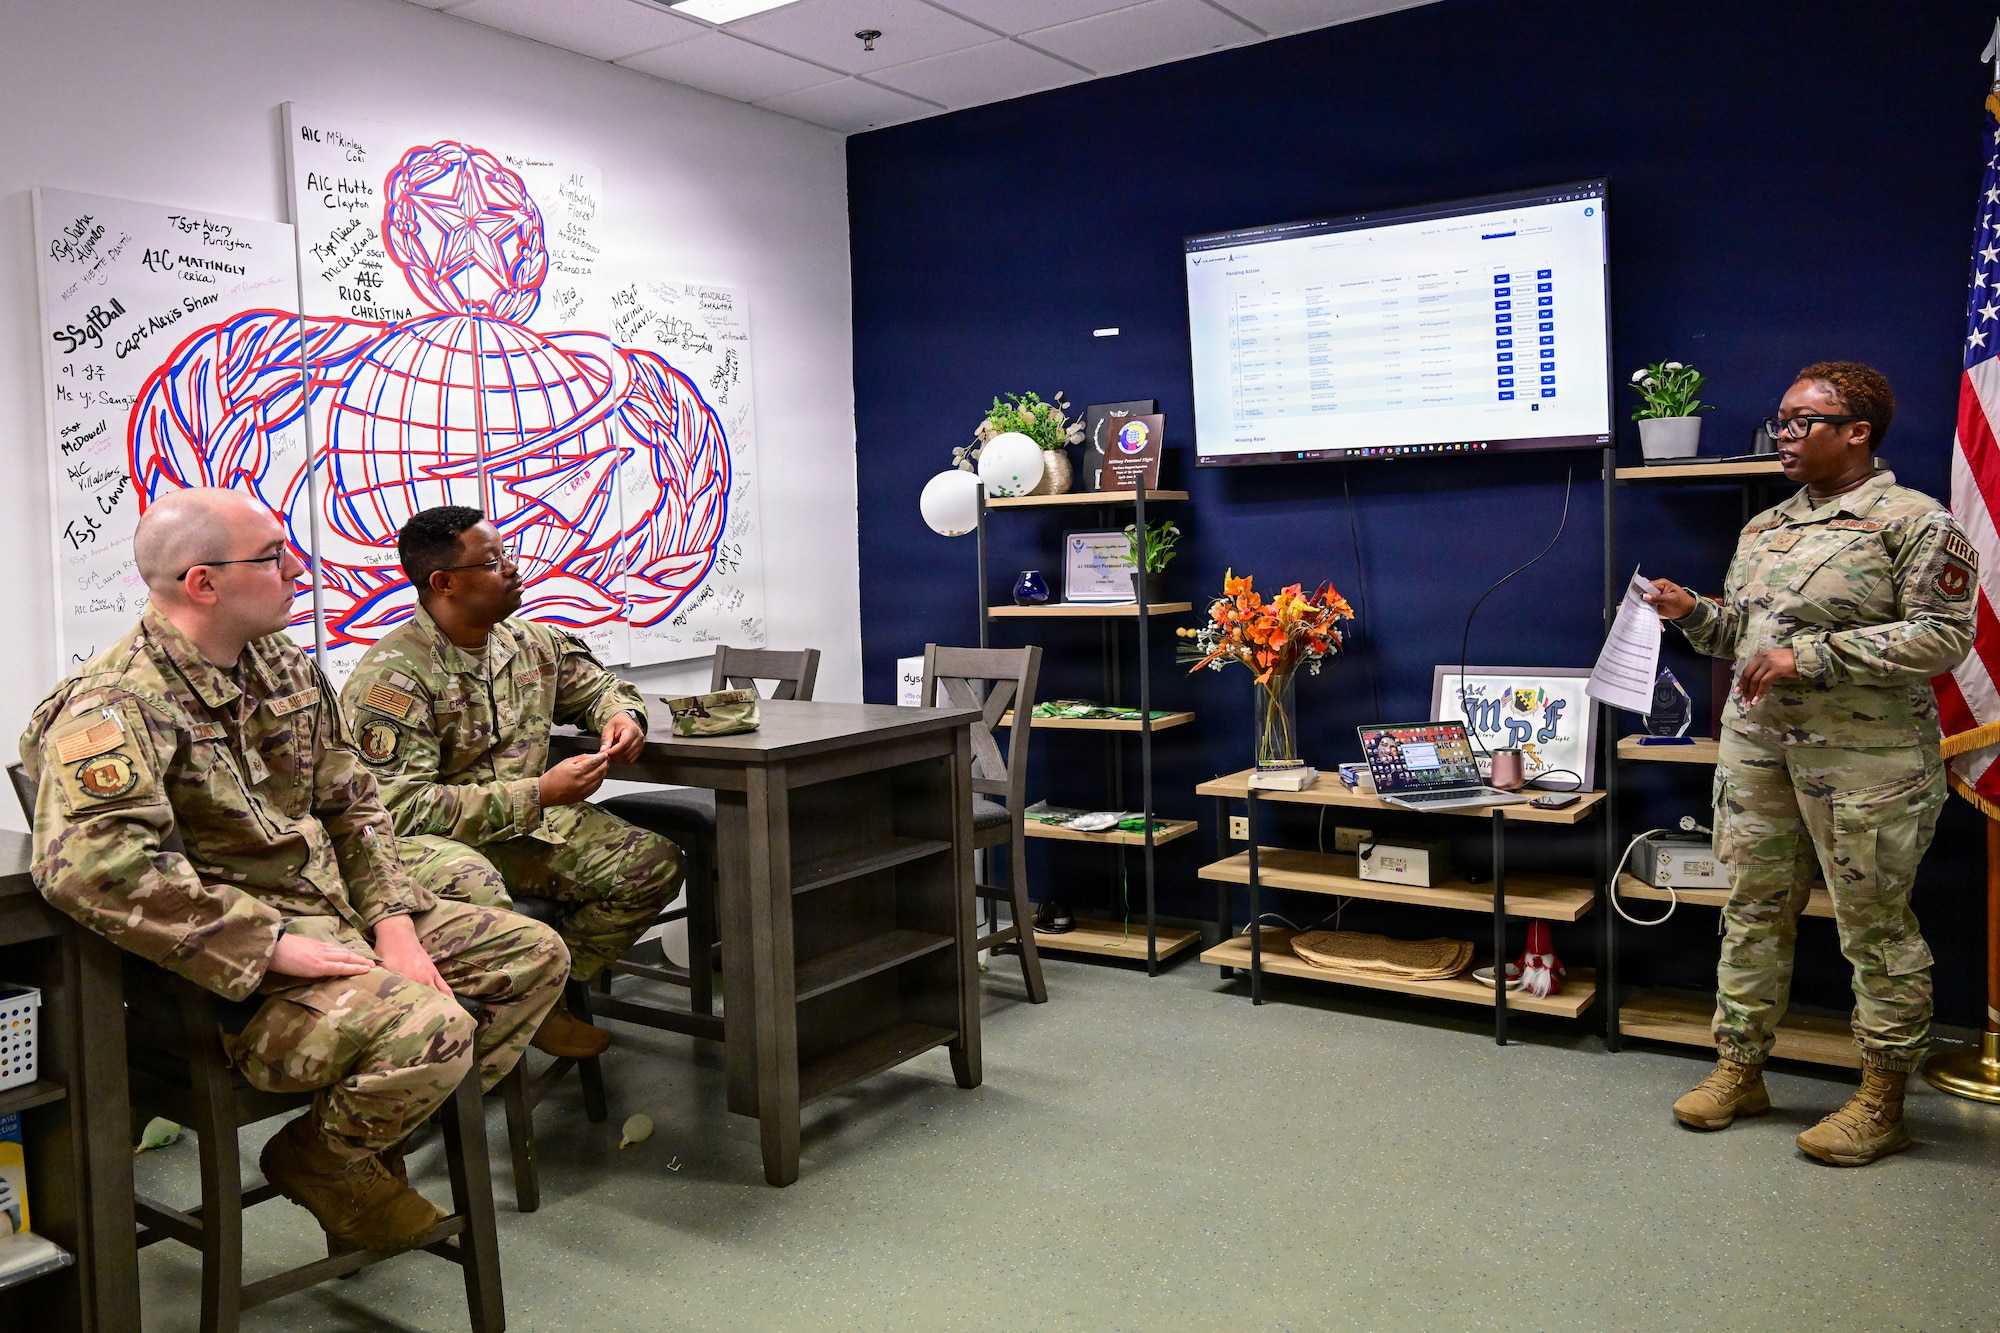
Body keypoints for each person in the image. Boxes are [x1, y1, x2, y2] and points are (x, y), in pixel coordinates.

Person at [19, 488, 569, 1250]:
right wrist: (267, 944)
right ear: (203, 583)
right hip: (233, 981)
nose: (297, 571)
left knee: (534, 956)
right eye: (274, 557)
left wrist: (393, 921)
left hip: (335, 918)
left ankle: (348, 1144)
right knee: (435, 1025)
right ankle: (331, 1155)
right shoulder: (114, 704)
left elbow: (355, 803)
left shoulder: (281, 665)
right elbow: (89, 867)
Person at [1643, 361, 1977, 1166]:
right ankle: (1740, 1068)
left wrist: (1813, 656)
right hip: (1759, 754)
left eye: (1801, 422)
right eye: (1781, 421)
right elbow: (1745, 636)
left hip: (1867, 764)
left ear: (1856, 432)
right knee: (1751, 911)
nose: (1783, 436)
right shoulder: (1765, 526)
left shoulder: (1914, 521)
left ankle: (1882, 1099)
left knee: (1875, 927)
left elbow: (1944, 636)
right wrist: (1694, 614)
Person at [339, 506, 679, 1060]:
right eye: (494, 562)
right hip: (435, 843)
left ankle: (545, 996)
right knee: (477, 886)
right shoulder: (394, 676)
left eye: (508, 555)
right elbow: (395, 808)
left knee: (653, 865)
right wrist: (537, 794)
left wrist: (620, 715)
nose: (514, 569)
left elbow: (598, 688)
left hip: (526, 826)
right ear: (444, 583)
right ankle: (501, 1020)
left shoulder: (529, 643)